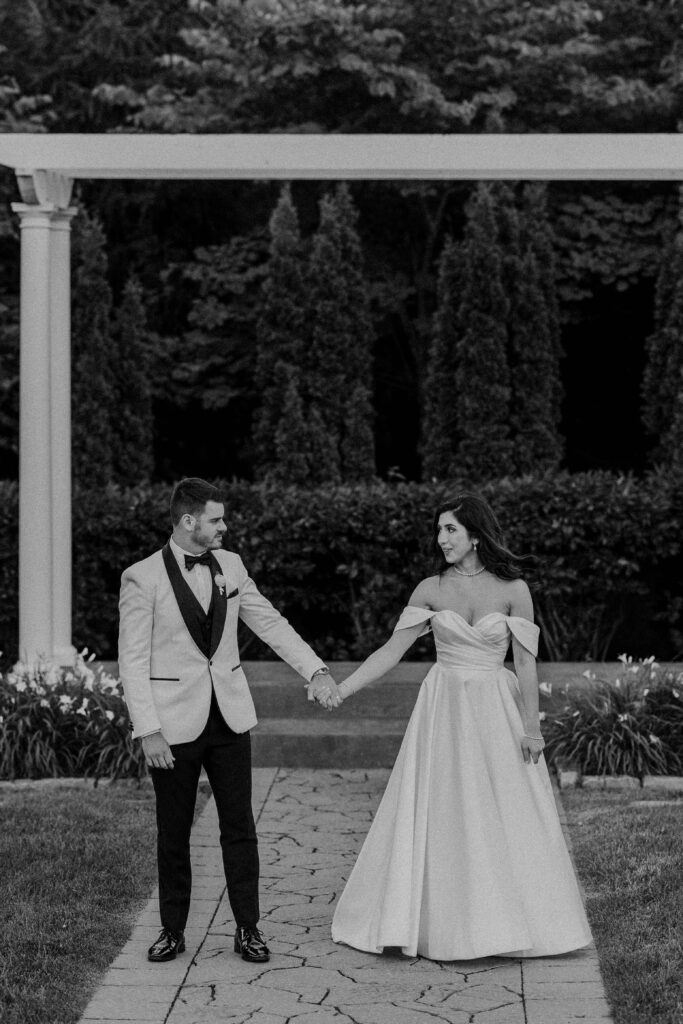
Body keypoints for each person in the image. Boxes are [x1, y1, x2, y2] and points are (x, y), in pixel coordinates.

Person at [321, 493, 592, 961]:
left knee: (504, 806)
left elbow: (526, 663)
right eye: (439, 529)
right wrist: (343, 689)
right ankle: (437, 922)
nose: (441, 538)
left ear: (475, 535)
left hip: (495, 707)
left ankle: (512, 920)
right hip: (443, 706)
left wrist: (532, 727)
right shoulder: (430, 588)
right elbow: (391, 651)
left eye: (450, 529)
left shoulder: (514, 590)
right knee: (442, 807)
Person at [118, 477, 336, 965]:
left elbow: (270, 622)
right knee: (172, 832)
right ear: (189, 521)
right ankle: (172, 931)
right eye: (216, 519)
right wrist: (147, 729)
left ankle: (248, 929)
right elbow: (131, 660)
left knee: (239, 827)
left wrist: (316, 669)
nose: (224, 526)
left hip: (230, 719)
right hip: (172, 727)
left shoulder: (231, 566)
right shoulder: (142, 578)